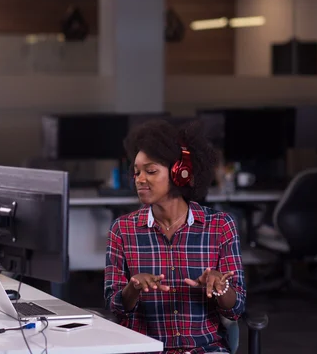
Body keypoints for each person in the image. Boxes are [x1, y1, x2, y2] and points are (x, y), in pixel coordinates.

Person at [105, 119, 245, 354]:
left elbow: (236, 309)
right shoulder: (123, 229)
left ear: (180, 173)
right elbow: (115, 306)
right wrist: (133, 288)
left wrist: (221, 288)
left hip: (204, 348)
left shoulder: (220, 226)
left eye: (150, 171)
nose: (139, 179)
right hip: (145, 349)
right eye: (136, 172)